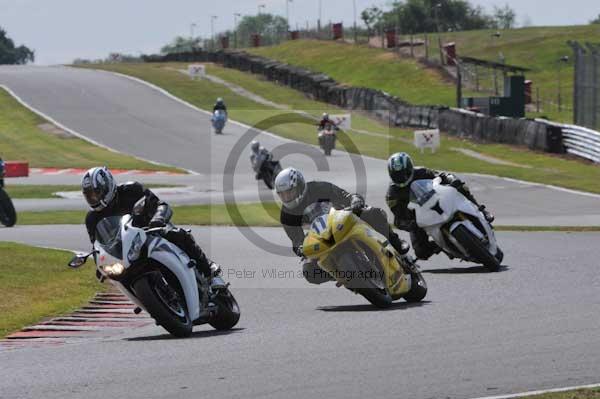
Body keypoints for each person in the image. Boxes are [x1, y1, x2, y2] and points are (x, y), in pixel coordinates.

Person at [274, 167, 409, 284]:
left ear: (299, 186)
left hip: (343, 220)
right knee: (309, 272)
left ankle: (396, 244)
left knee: (374, 213)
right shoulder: (287, 214)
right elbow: (296, 240)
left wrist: (354, 200)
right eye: (282, 195)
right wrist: (301, 249)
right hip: (321, 239)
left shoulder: (317, 187)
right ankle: (342, 275)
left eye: (289, 192)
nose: (287, 197)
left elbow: (344, 195)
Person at [82, 167, 220, 281]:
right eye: (90, 196)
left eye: (96, 193)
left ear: (107, 185)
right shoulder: (92, 219)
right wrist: (100, 265)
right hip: (127, 252)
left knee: (178, 235)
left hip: (153, 231)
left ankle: (207, 269)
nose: (94, 198)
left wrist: (158, 219)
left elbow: (161, 205)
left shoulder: (131, 190)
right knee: (117, 277)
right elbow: (97, 247)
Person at [385, 152, 494, 260]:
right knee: (421, 252)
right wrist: (410, 224)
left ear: (410, 168)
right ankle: (443, 245)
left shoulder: (422, 171)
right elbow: (398, 220)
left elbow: (441, 176)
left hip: (437, 199)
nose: (402, 178)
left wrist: (451, 179)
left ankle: (482, 211)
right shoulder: (392, 195)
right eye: (397, 175)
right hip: (419, 218)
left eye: (404, 173)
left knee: (461, 186)